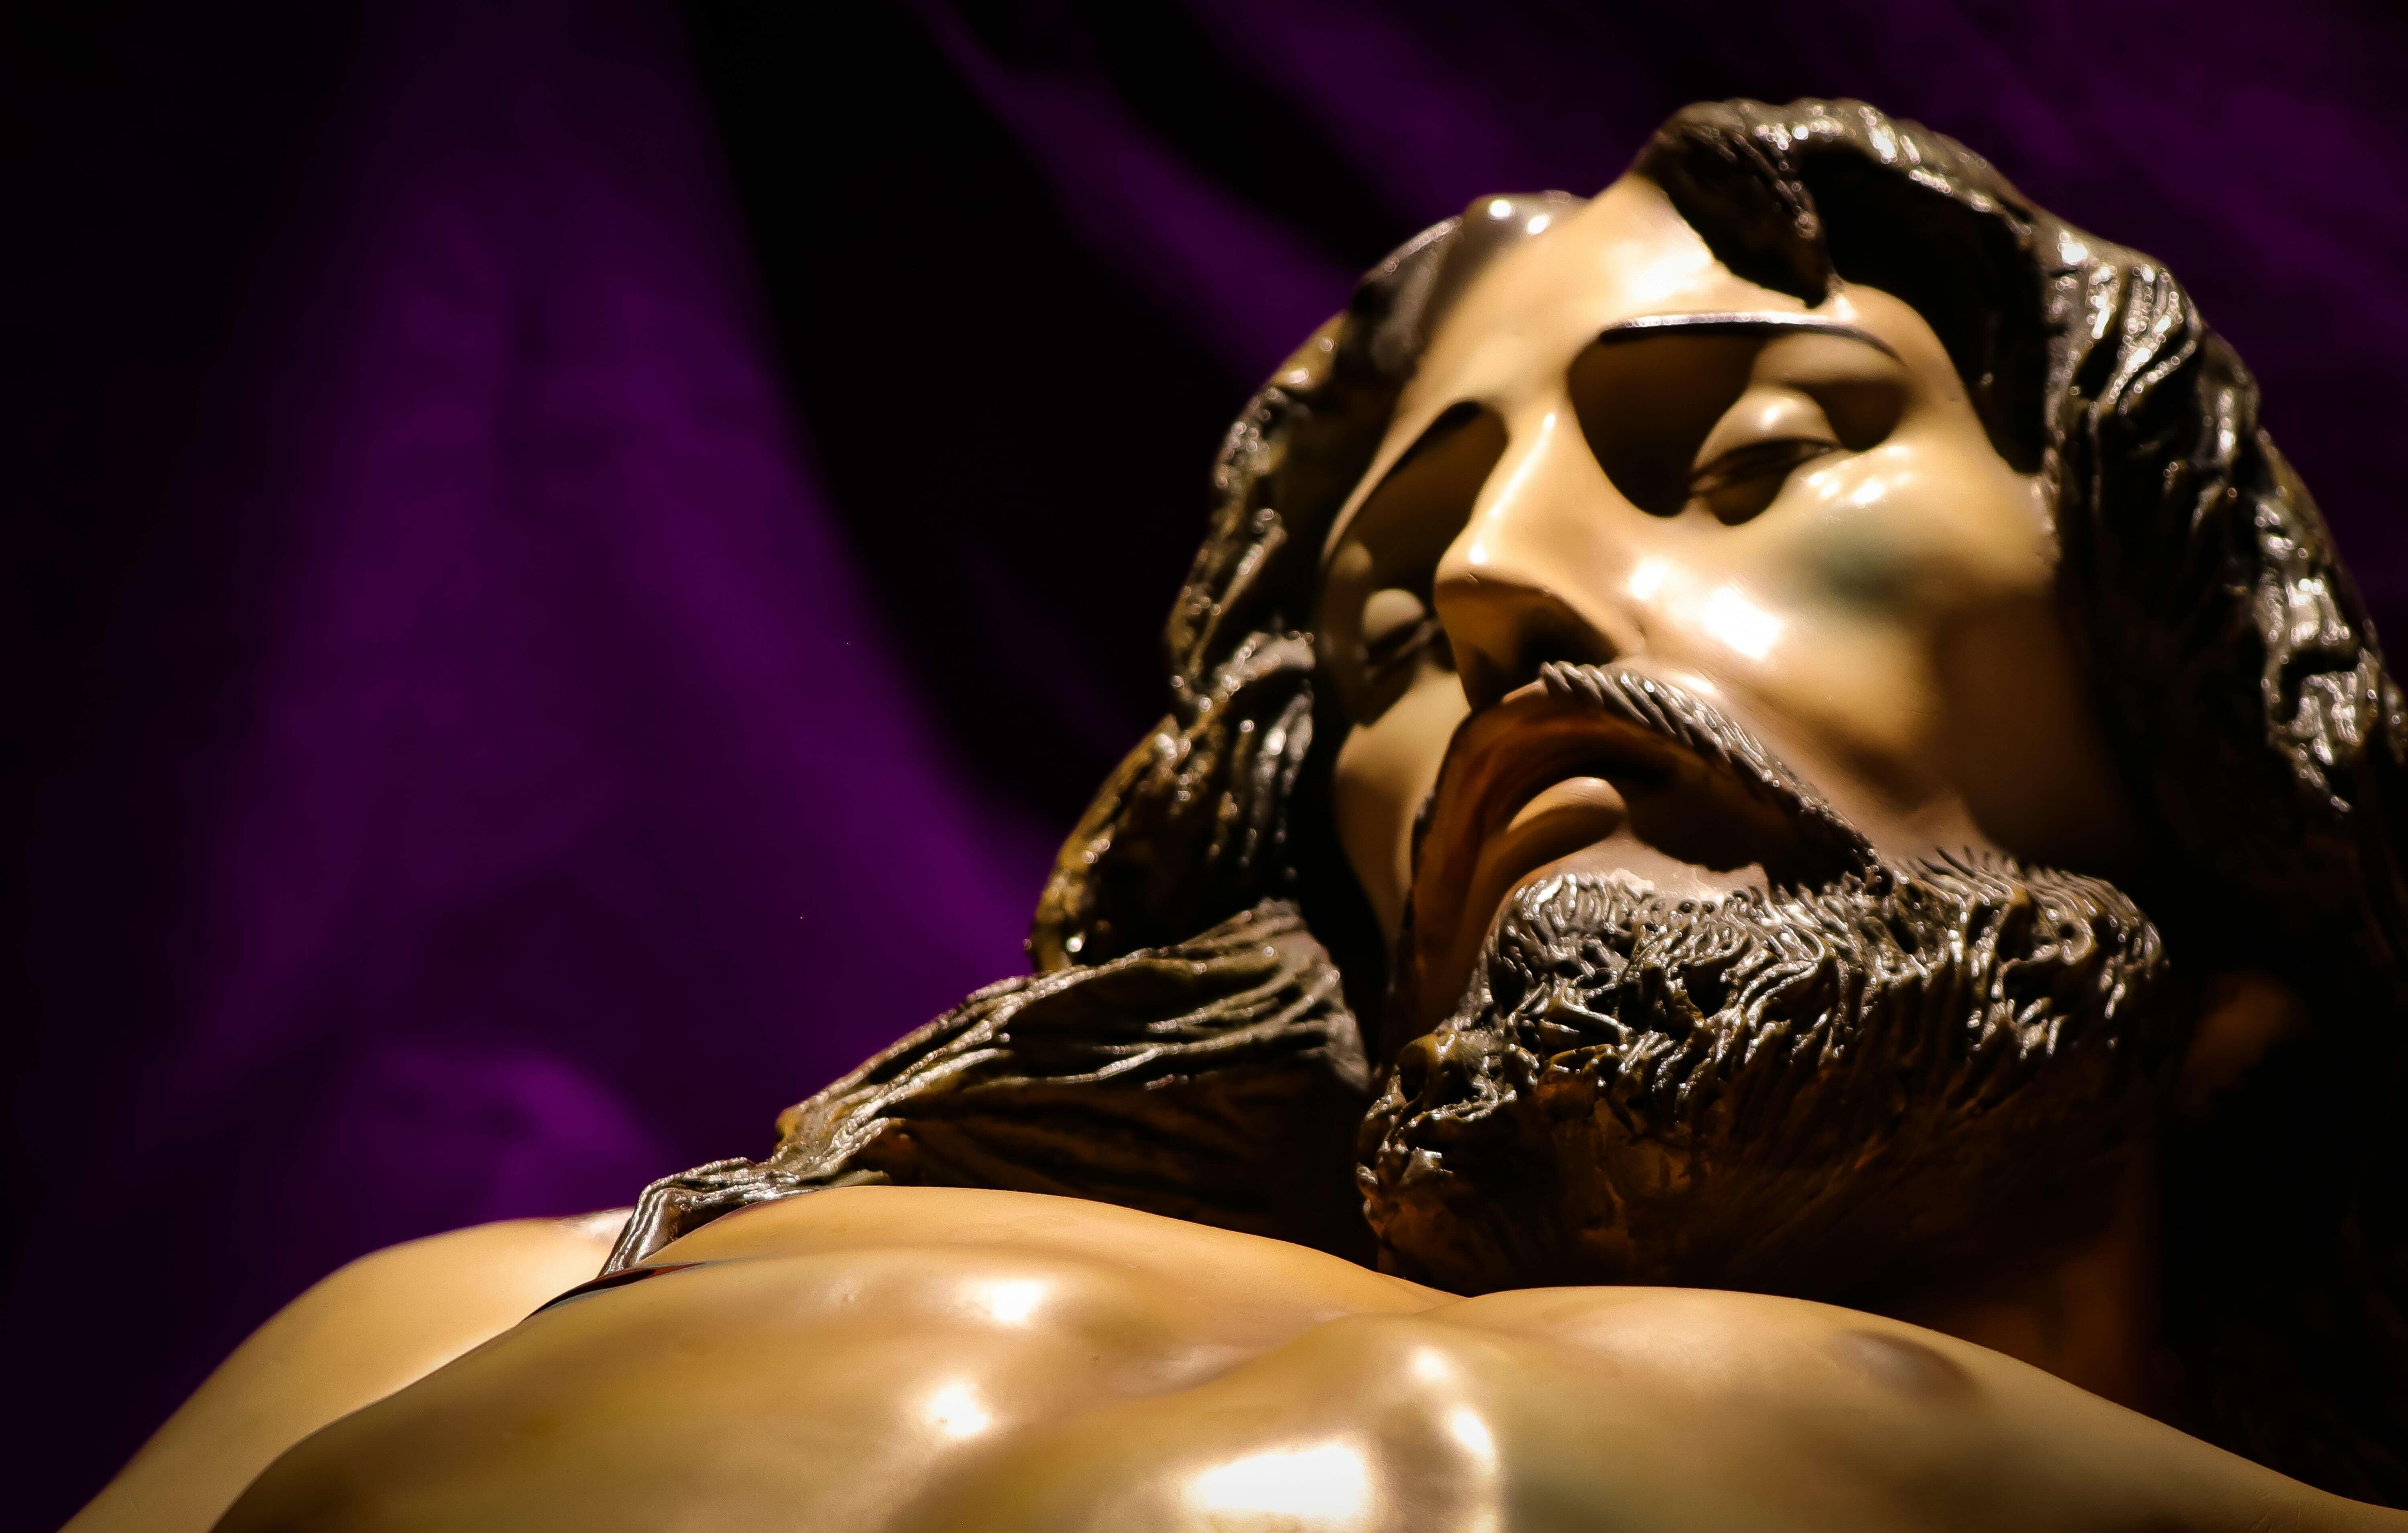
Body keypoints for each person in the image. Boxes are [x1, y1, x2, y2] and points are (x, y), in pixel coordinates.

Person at [66, 98, 2408, 1531]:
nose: (1494, 588)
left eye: (1744, 457)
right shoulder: (465, 1332)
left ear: (2188, 708)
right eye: (1378, 631)